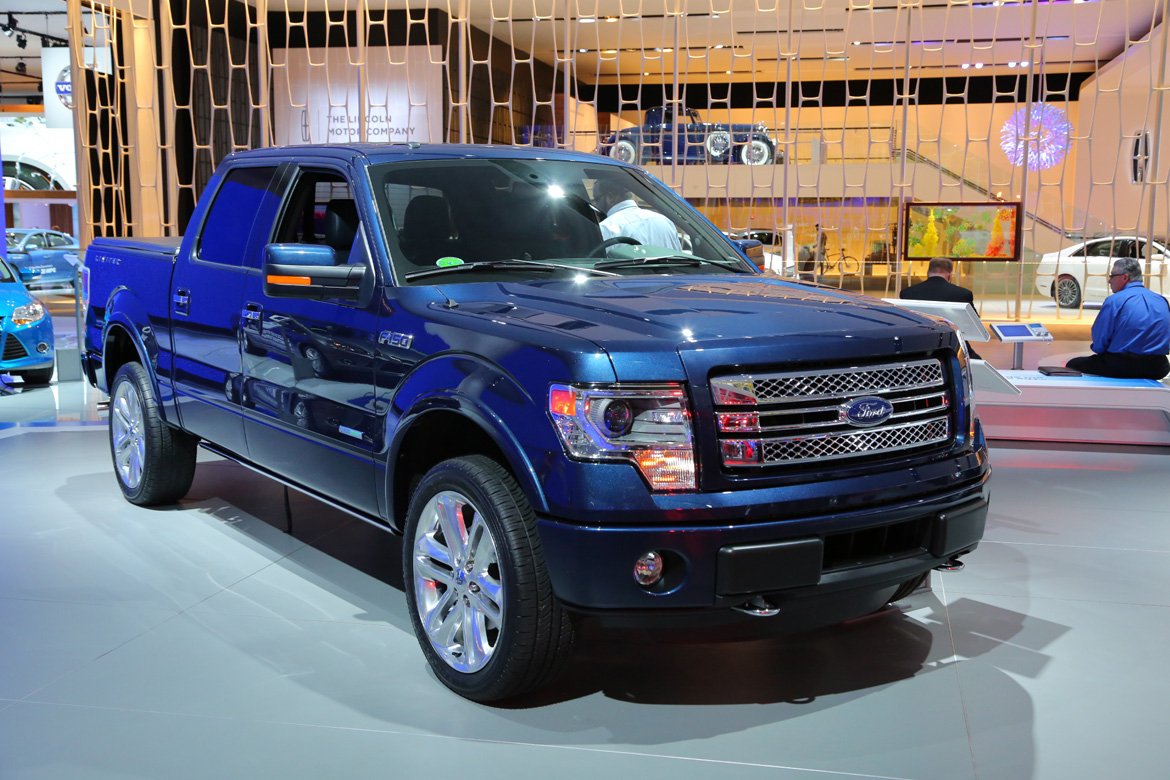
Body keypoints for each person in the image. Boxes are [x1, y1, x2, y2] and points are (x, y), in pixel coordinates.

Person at [1065, 257, 1170, 379]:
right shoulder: (1162, 300)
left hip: (1120, 365)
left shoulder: (1114, 301)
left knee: (1072, 364)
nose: (1109, 281)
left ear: (1125, 277)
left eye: (1112, 276)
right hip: (1158, 367)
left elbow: (1100, 341)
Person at [901, 257, 982, 359]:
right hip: (953, 349)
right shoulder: (963, 294)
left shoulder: (907, 293)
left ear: (928, 272)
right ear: (950, 275)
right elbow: (974, 324)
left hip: (917, 350)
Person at [594, 179, 682, 250]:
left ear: (610, 197)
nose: (595, 205)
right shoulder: (665, 222)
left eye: (596, 199)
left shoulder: (606, 229)